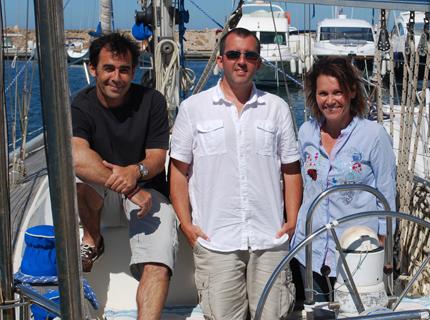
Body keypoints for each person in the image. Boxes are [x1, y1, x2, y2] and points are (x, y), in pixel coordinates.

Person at [169, 27, 302, 319]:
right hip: (217, 241)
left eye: (249, 55)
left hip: (269, 238)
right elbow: (178, 171)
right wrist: (187, 225)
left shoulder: (276, 108)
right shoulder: (193, 109)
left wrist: (291, 221)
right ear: (220, 61)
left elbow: (291, 170)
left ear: (258, 62)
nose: (241, 61)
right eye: (233, 54)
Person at [71, 32, 178, 319]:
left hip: (147, 191)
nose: (116, 77)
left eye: (124, 69)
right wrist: (128, 187)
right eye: (108, 68)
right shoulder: (80, 105)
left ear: (133, 71)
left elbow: (156, 159)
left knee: (157, 265)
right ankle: (92, 237)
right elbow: (77, 157)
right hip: (110, 195)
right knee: (81, 183)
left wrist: (136, 171)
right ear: (93, 69)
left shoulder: (151, 101)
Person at [290, 56, 396, 302]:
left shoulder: (373, 135)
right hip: (311, 249)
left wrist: (383, 243)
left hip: (358, 252)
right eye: (322, 93)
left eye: (337, 92)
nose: (330, 101)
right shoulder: (306, 132)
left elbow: (386, 192)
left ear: (351, 92)